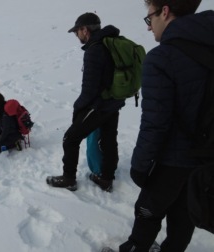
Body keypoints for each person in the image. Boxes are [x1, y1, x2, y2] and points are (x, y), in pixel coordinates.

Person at [118, 1, 213, 251]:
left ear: (165, 11)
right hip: (207, 160)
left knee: (148, 210)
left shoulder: (162, 57)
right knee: (184, 215)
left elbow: (155, 124)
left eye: (149, 18)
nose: (149, 28)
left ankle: (136, 247)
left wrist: (139, 167)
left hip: (171, 160)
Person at [47, 13, 125, 192]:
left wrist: (78, 108)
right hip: (114, 102)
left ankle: (68, 179)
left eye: (77, 31)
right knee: (108, 140)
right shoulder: (110, 42)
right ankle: (106, 178)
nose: (77, 35)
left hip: (99, 105)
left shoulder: (95, 49)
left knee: (70, 139)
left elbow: (89, 89)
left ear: (85, 29)